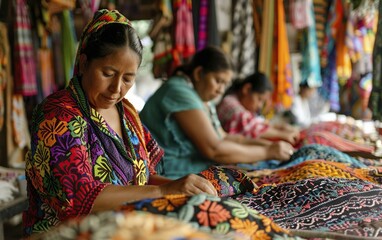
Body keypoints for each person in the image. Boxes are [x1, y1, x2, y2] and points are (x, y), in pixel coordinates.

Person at [23, 9, 221, 236]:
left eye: (128, 78)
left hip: (123, 227)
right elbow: (80, 199)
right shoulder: (58, 115)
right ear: (85, 63)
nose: (117, 89)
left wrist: (185, 187)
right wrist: (166, 191)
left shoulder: (126, 113)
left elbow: (141, 181)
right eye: (107, 73)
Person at [140, 46, 295, 179]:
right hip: (170, 175)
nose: (221, 89)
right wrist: (267, 151)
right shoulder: (178, 91)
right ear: (199, 73)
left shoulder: (201, 96)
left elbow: (224, 137)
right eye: (218, 81)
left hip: (190, 171)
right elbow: (214, 150)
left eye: (225, 84)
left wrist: (269, 146)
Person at [216, 71, 300, 144]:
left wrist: (281, 128)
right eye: (259, 99)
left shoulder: (240, 104)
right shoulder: (231, 104)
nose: (260, 105)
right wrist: (283, 135)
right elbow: (250, 126)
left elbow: (256, 123)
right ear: (247, 89)